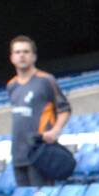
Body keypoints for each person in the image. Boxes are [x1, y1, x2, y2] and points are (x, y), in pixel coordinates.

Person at [6, 35, 70, 186]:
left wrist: (55, 131)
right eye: (17, 52)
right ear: (12, 57)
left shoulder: (46, 80)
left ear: (34, 56)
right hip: (18, 154)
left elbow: (64, 109)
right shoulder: (11, 85)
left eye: (26, 51)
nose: (22, 55)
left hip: (40, 153)